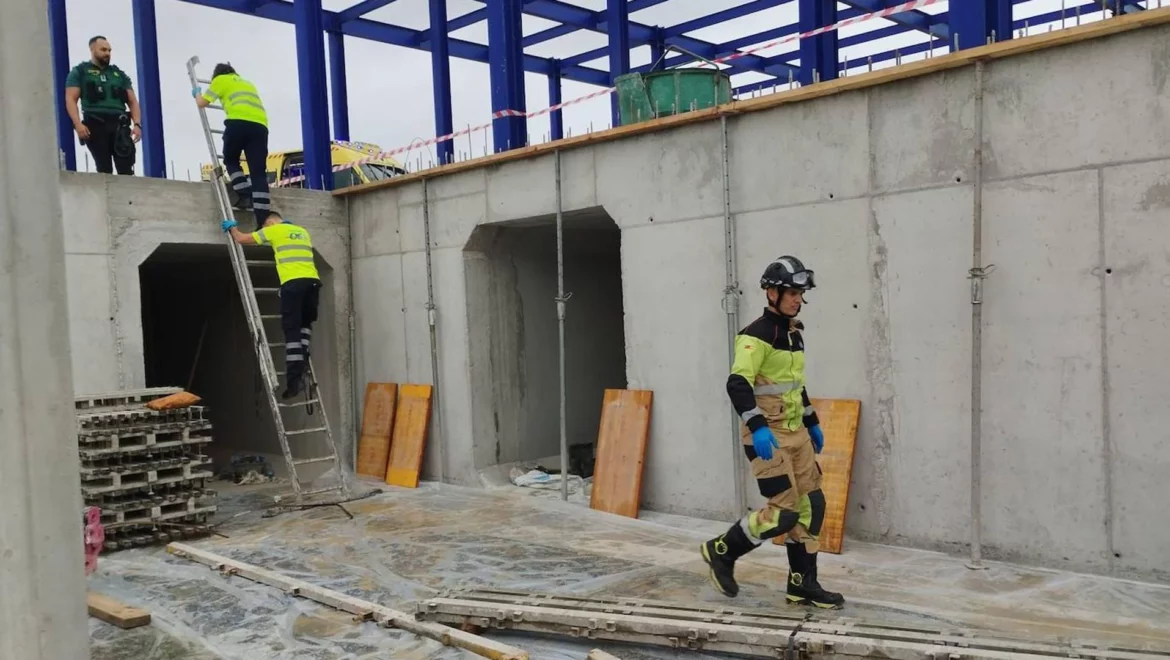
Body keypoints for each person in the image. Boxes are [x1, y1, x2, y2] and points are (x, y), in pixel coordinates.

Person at [700, 255, 845, 610]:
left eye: (800, 292)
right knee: (784, 513)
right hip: (768, 436)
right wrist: (758, 427)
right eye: (790, 292)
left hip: (796, 434)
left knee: (812, 505)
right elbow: (738, 384)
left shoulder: (794, 335)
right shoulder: (755, 336)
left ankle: (802, 584)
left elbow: (794, 387)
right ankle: (721, 550)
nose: (797, 298)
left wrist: (811, 422)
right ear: (771, 292)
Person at [221, 211, 320, 400]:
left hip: (293, 284)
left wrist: (231, 227)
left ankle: (294, 382)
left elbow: (242, 239)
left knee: (291, 331)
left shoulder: (275, 230)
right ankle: (303, 359)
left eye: (265, 228)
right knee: (305, 326)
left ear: (270, 222)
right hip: (313, 283)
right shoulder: (302, 231)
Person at [195, 63, 271, 229]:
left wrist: (197, 92)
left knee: (230, 159)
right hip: (260, 126)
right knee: (258, 173)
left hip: (237, 122)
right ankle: (263, 221)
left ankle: (244, 195)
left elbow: (202, 102)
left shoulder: (220, 80)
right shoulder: (247, 83)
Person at [64, 36, 142, 175]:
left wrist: (137, 125)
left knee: (126, 166)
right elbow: (70, 99)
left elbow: (133, 101)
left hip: (119, 124)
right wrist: (77, 125)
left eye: (109, 50)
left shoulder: (118, 74)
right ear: (92, 50)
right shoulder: (80, 72)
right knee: (104, 167)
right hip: (95, 124)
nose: (107, 53)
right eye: (103, 50)